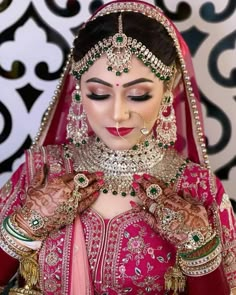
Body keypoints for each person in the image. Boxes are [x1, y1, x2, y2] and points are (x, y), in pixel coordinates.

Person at [0, 1, 235, 294]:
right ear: (78, 88)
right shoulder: (41, 173)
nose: (118, 114)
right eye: (99, 93)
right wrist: (25, 227)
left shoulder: (197, 190)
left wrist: (197, 244)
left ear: (169, 87)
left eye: (138, 95)